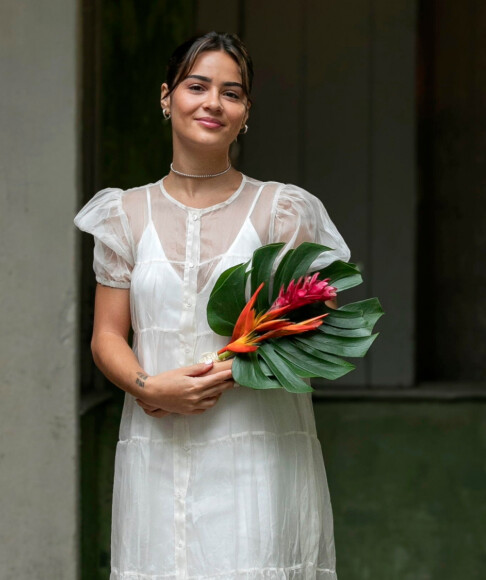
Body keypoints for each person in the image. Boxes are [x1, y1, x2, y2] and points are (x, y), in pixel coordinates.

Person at [75, 31, 350, 580]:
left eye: (232, 93)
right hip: (154, 444)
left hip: (257, 446)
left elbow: (309, 320)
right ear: (166, 96)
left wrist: (229, 366)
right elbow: (107, 335)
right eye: (197, 86)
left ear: (245, 111)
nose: (213, 103)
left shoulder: (282, 211)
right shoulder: (123, 215)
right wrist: (151, 388)